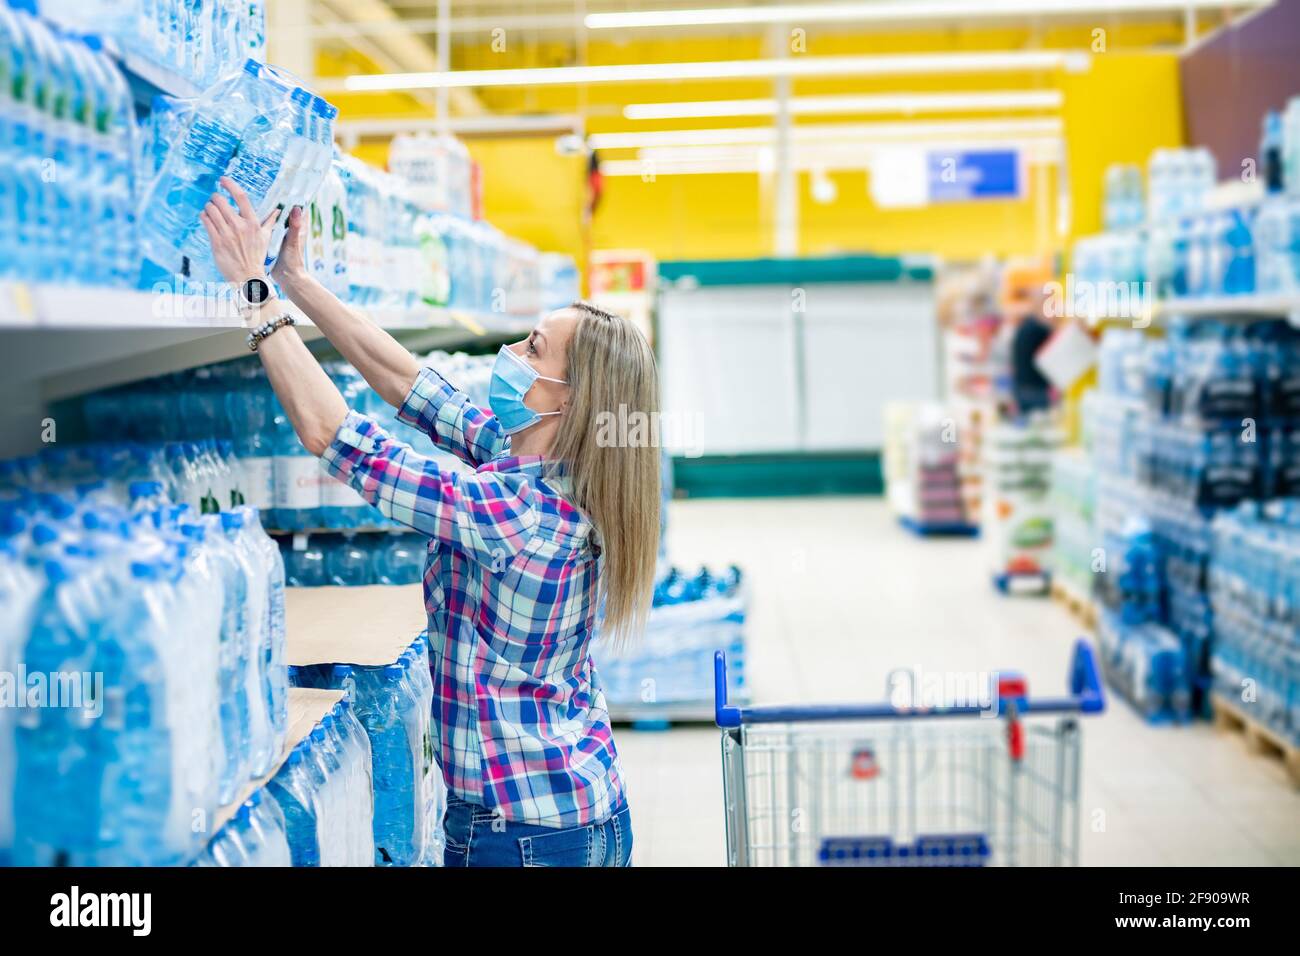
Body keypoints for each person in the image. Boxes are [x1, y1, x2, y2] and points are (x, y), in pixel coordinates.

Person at [201, 177, 659, 867]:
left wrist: (253, 295)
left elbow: (336, 435)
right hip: (574, 807)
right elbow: (413, 387)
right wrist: (296, 280)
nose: (511, 355)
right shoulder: (549, 467)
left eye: (533, 349)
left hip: (523, 833)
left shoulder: (517, 514)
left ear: (567, 403)